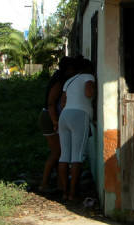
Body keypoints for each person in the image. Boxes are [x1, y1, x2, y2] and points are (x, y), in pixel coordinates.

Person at [58, 57, 95, 201]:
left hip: (64, 116)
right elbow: (88, 93)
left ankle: (64, 192)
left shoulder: (69, 81)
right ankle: (73, 193)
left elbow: (62, 102)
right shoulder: (88, 76)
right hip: (80, 115)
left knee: (64, 155)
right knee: (77, 156)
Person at [38, 56, 76, 192]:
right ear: (68, 69)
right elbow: (51, 103)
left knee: (59, 153)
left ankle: (59, 183)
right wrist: (55, 121)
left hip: (51, 117)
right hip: (49, 118)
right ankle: (44, 184)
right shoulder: (59, 81)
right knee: (57, 152)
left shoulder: (61, 79)